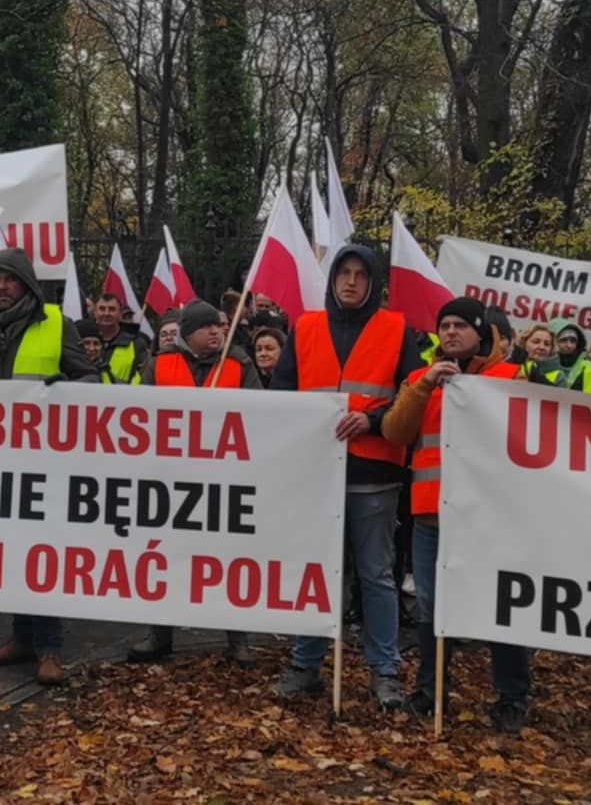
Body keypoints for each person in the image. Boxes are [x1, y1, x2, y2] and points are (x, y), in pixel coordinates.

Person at [269, 246, 431, 710]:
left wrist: (374, 421)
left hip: (374, 473)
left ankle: (384, 672)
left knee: (377, 576)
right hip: (317, 475)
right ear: (333, 278)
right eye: (344, 273)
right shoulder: (305, 327)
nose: (352, 282)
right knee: (318, 573)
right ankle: (306, 663)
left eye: (361, 275)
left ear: (373, 283)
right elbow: (281, 394)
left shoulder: (396, 329)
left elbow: (412, 395)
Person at [0, 247, 100, 685]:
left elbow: (91, 378)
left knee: (41, 551)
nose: (1, 287)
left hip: (42, 460)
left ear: (27, 283)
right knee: (12, 552)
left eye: (10, 280)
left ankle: (49, 647)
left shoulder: (56, 324)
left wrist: (65, 386)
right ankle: (21, 636)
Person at [381, 295, 530, 729]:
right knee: (431, 606)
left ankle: (512, 699)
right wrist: (425, 384)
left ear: (480, 332)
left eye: (460, 325)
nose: (449, 332)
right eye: (444, 324)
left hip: (488, 518)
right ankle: (430, 691)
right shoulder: (419, 378)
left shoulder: (510, 377)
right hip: (430, 516)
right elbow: (395, 431)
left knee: (500, 607)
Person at [128, 300, 262, 666]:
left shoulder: (239, 364)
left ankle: (237, 638)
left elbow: (263, 414)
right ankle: (160, 635)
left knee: (228, 561)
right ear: (188, 334)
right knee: (165, 557)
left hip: (225, 482)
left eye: (220, 326)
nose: (217, 331)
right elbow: (140, 416)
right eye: (208, 327)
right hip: (172, 482)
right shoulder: (159, 364)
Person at [522, 318, 591, 392]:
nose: (569, 345)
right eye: (563, 340)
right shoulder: (513, 364)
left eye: (573, 341)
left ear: (552, 347)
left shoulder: (558, 376)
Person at [91, 292, 148, 384]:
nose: (106, 313)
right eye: (102, 309)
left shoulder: (136, 344)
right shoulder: (84, 341)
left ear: (120, 313)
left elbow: (143, 379)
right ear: (95, 312)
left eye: (112, 309)